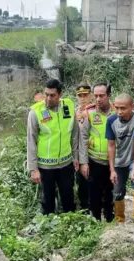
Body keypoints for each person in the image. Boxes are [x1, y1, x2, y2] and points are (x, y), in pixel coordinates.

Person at [27, 79, 79, 215]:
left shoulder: (69, 105)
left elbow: (74, 133)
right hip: (45, 166)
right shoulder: (36, 112)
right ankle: (47, 226)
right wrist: (33, 169)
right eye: (46, 94)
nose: (48, 99)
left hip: (66, 163)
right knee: (47, 201)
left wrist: (76, 157)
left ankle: (69, 224)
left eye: (52, 95)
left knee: (68, 198)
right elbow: (31, 141)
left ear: (60, 94)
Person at [106, 93, 134, 223]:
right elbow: (111, 146)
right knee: (118, 190)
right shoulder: (111, 121)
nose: (119, 112)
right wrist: (112, 170)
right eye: (116, 108)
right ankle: (119, 218)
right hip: (119, 160)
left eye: (123, 108)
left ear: (132, 106)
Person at [79, 83, 115, 222]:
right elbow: (83, 138)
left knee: (111, 192)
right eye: (96, 96)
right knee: (94, 194)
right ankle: (96, 220)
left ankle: (110, 220)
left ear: (109, 96)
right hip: (94, 161)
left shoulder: (117, 111)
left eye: (102, 96)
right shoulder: (89, 112)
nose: (98, 99)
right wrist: (83, 162)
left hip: (113, 162)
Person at [75, 85, 93, 212]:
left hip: (92, 151)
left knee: (94, 179)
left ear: (90, 95)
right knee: (81, 180)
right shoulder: (73, 112)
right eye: (80, 95)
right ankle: (84, 206)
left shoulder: (94, 111)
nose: (83, 98)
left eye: (85, 95)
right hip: (77, 152)